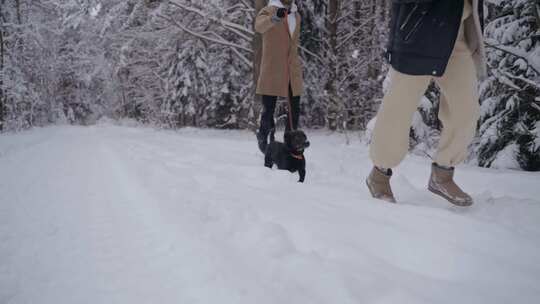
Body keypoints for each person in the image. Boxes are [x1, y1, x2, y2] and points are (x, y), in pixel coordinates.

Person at [367, 0, 487, 206]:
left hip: (457, 34)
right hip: (418, 32)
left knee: (466, 110)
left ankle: (442, 175)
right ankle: (379, 174)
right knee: (398, 111)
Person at [254, 0, 303, 153]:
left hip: (292, 70)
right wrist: (275, 17)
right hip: (272, 68)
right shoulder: (269, 9)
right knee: (269, 110)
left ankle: (290, 146)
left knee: (294, 109)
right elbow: (259, 26)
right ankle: (264, 140)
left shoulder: (296, 15)